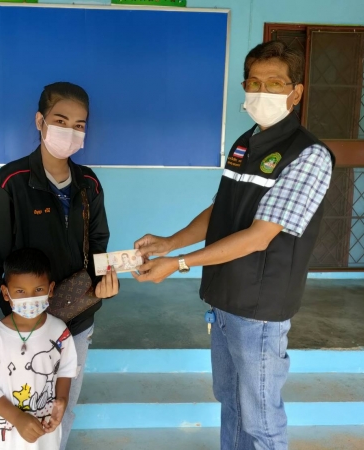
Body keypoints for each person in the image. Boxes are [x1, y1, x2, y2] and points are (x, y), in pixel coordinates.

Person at [133, 41, 334, 450]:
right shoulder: (245, 144)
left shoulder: (308, 155)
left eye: (275, 83)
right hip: (224, 299)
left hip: (260, 308)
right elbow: (219, 210)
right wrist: (170, 242)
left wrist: (179, 263)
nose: (262, 92)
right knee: (230, 401)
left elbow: (260, 235)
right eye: (254, 82)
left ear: (296, 92)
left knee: (260, 418)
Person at [0, 82, 119, 449]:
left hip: (75, 320)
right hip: (23, 322)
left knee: (61, 408)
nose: (70, 131)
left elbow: (98, 247)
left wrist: (105, 282)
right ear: (40, 121)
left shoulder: (89, 184)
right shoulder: (10, 183)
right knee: (18, 407)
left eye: (79, 125)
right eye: (60, 121)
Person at [0, 248, 78, 449]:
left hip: (44, 434)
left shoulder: (59, 332)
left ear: (51, 289)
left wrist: (62, 400)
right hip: (1, 440)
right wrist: (18, 418)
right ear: (6, 293)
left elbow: (65, 371)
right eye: (20, 291)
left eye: (38, 289)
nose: (30, 297)